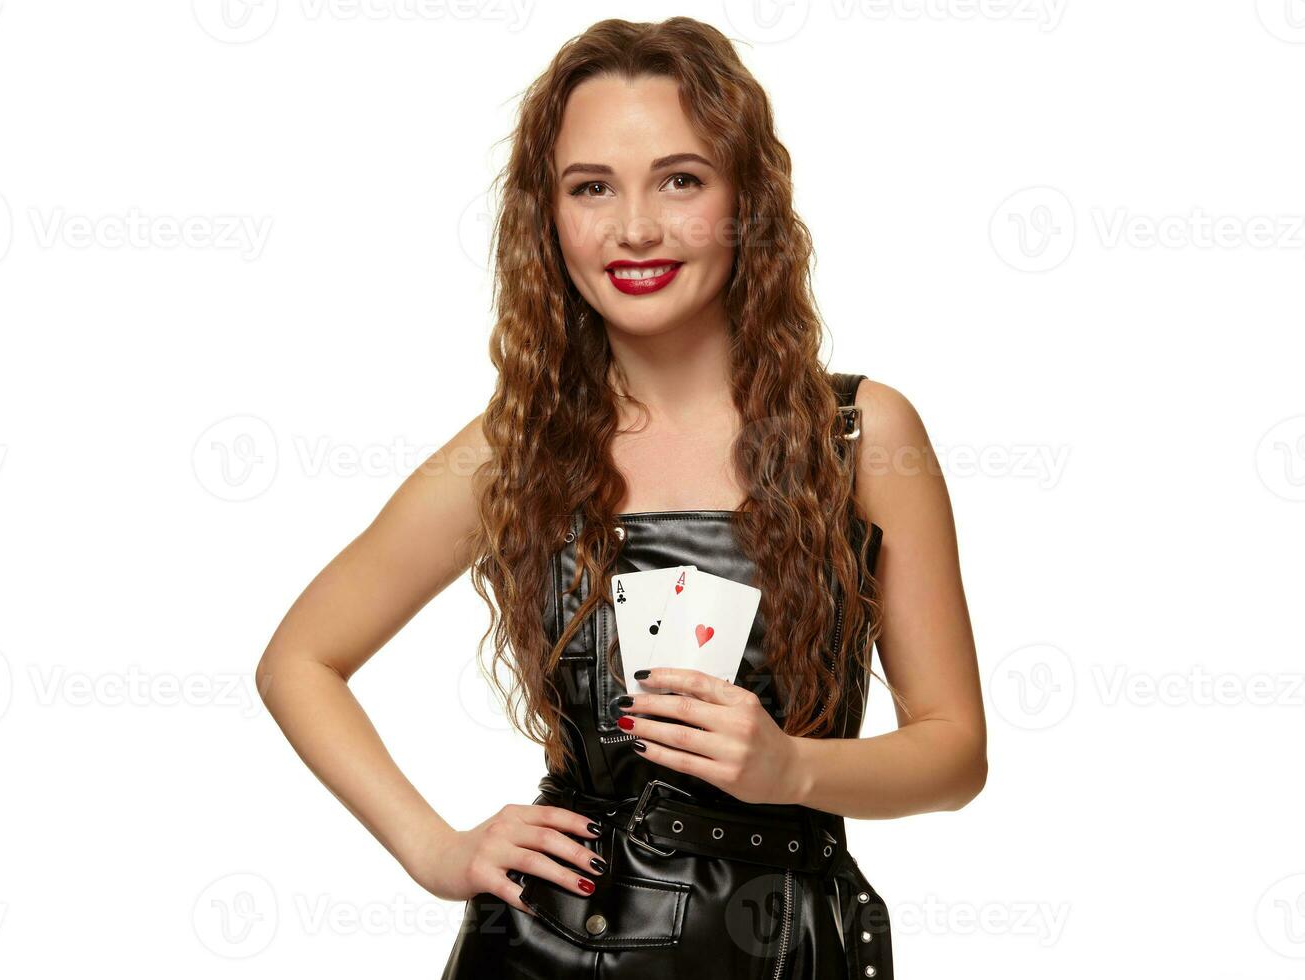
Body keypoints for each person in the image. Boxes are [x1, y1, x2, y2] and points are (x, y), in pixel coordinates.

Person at [255, 16, 985, 978]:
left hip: (785, 947)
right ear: (548, 217)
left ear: (745, 201)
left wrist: (794, 769)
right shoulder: (514, 451)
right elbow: (299, 660)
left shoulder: (860, 434)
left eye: (680, 180)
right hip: (552, 945)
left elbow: (955, 751)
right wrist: (437, 849)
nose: (634, 227)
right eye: (591, 187)